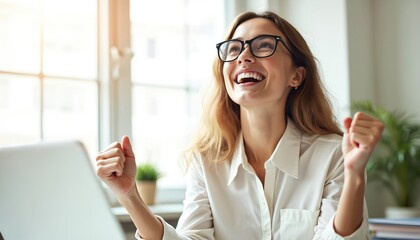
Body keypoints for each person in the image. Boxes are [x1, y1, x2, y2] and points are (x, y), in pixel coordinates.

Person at [96, 11, 384, 240]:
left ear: (296, 76)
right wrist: (129, 196)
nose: (244, 56)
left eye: (263, 46)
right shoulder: (207, 162)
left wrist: (355, 175)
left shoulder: (333, 155)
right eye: (234, 49)